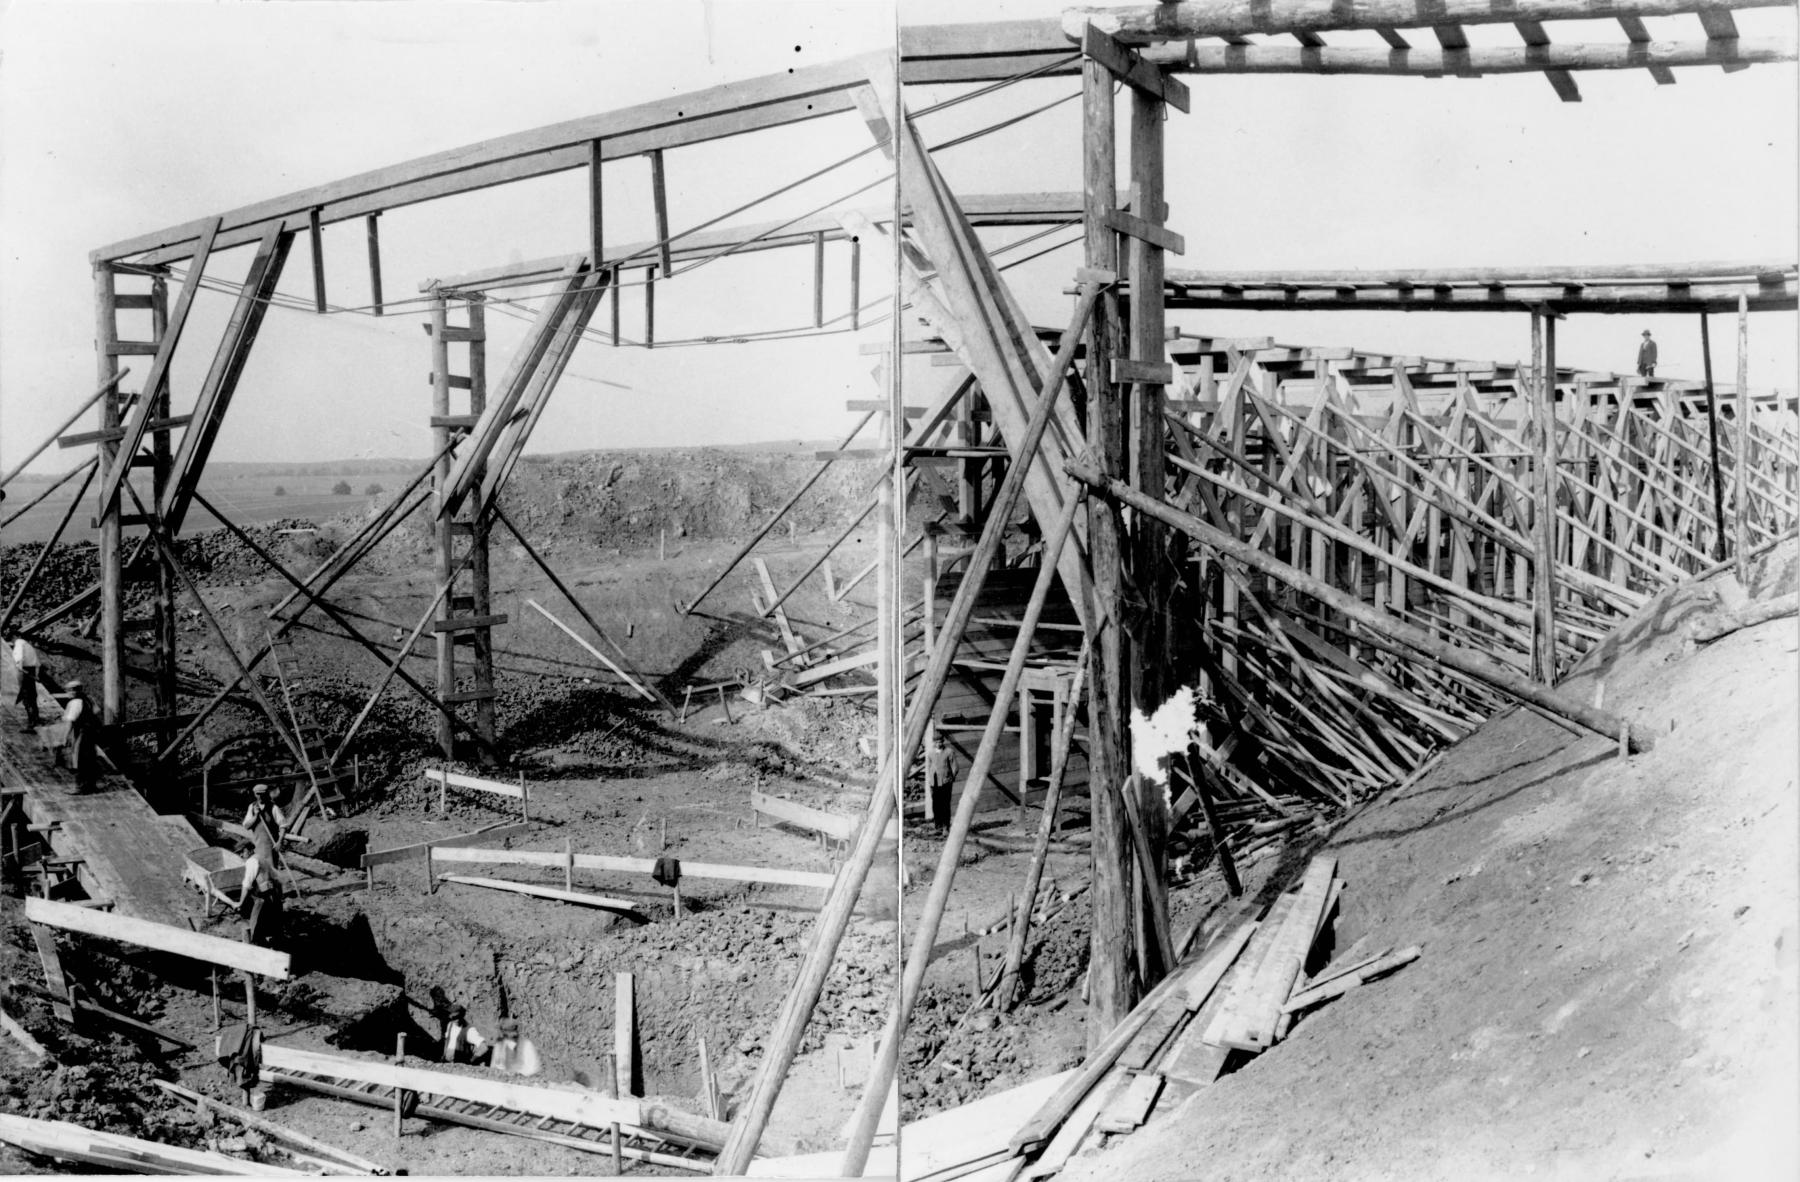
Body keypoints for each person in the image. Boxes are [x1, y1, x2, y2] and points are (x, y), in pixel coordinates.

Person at [235, 823, 285, 948]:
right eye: (239, 853)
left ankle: (257, 947)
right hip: (274, 895)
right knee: (274, 924)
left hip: (265, 898)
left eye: (242, 852)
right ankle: (273, 944)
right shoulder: (260, 858)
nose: (241, 855)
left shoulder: (252, 861)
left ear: (248, 849)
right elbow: (277, 877)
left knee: (256, 926)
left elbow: (246, 884)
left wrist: (240, 902)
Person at [61, 681, 95, 791]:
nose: (68, 693)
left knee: (79, 758)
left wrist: (65, 737)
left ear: (73, 691)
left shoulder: (75, 703)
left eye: (69, 691)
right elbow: (96, 712)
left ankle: (79, 787)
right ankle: (90, 785)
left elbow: (71, 721)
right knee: (89, 757)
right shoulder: (88, 699)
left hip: (81, 732)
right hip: (90, 732)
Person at [926, 732, 958, 836]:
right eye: (936, 742)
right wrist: (930, 779)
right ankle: (938, 827)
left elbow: (955, 767)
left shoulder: (949, 752)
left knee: (945, 805)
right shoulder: (930, 753)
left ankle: (946, 828)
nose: (938, 744)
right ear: (934, 743)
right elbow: (929, 767)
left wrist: (950, 778)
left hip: (945, 782)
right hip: (934, 783)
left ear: (943, 741)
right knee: (936, 805)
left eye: (940, 741)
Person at [9, 633, 42, 728]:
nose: (12, 641)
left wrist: (19, 666)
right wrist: (36, 675)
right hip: (30, 671)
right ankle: (35, 718)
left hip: (23, 671)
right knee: (32, 696)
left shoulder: (19, 643)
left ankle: (32, 723)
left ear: (16, 637)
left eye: (12, 639)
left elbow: (19, 657)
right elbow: (38, 663)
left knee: (26, 696)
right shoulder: (28, 645)